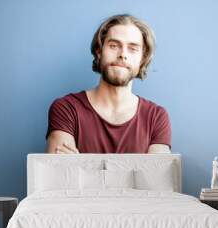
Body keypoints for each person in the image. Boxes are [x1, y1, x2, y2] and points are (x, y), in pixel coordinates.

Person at [45, 14, 171, 154]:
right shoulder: (67, 108)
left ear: (142, 59)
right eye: (113, 45)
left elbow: (156, 174)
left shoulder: (156, 117)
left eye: (133, 48)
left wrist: (81, 166)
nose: (123, 54)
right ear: (99, 52)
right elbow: (60, 172)